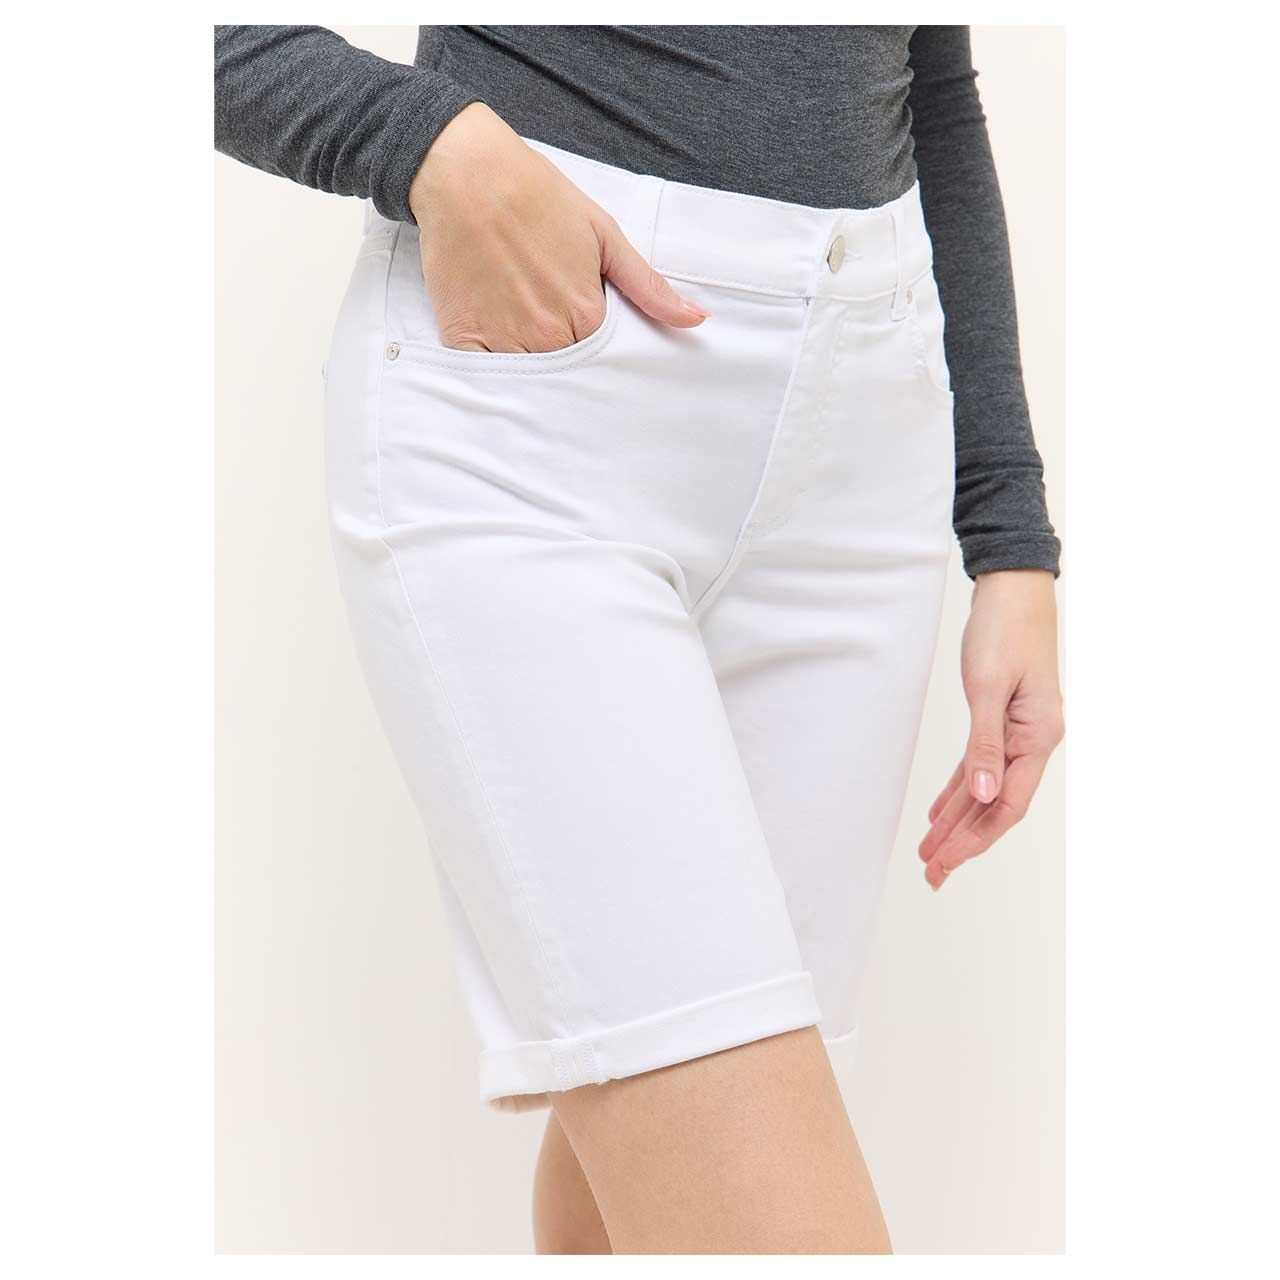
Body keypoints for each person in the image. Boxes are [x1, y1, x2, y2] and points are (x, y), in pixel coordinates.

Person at [215, 24, 1064, 1255]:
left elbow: (928, 77)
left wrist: (1008, 537)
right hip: (534, 397)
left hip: (863, 429)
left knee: (666, 1155)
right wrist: (421, 142)